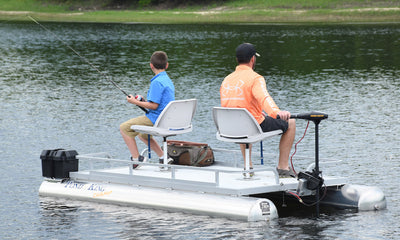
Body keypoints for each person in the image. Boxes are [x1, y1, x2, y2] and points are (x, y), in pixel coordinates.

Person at [220, 43, 296, 177]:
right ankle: (283, 167)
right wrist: (277, 113)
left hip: (230, 127)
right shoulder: (255, 78)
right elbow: (264, 98)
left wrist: (256, 111)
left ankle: (248, 166)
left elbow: (232, 104)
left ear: (237, 59)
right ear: (253, 59)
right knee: (291, 123)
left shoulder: (227, 79)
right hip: (251, 126)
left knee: (242, 121)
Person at [120, 51, 175, 169]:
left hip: (156, 118)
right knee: (142, 134)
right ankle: (163, 157)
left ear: (151, 66)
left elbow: (154, 106)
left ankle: (136, 159)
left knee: (124, 128)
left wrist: (135, 102)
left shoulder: (156, 82)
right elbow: (156, 103)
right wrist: (143, 101)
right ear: (167, 65)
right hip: (165, 117)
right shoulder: (167, 80)